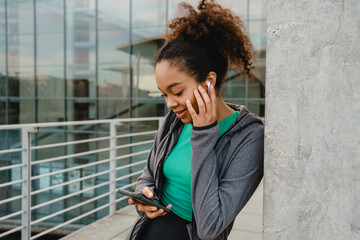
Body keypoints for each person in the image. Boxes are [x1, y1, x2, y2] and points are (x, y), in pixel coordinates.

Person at [127, 0, 264, 239]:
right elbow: (148, 174)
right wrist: (144, 195)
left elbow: (211, 226)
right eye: (165, 94)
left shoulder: (250, 138)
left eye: (177, 92)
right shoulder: (175, 121)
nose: (170, 104)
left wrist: (204, 134)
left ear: (209, 82)